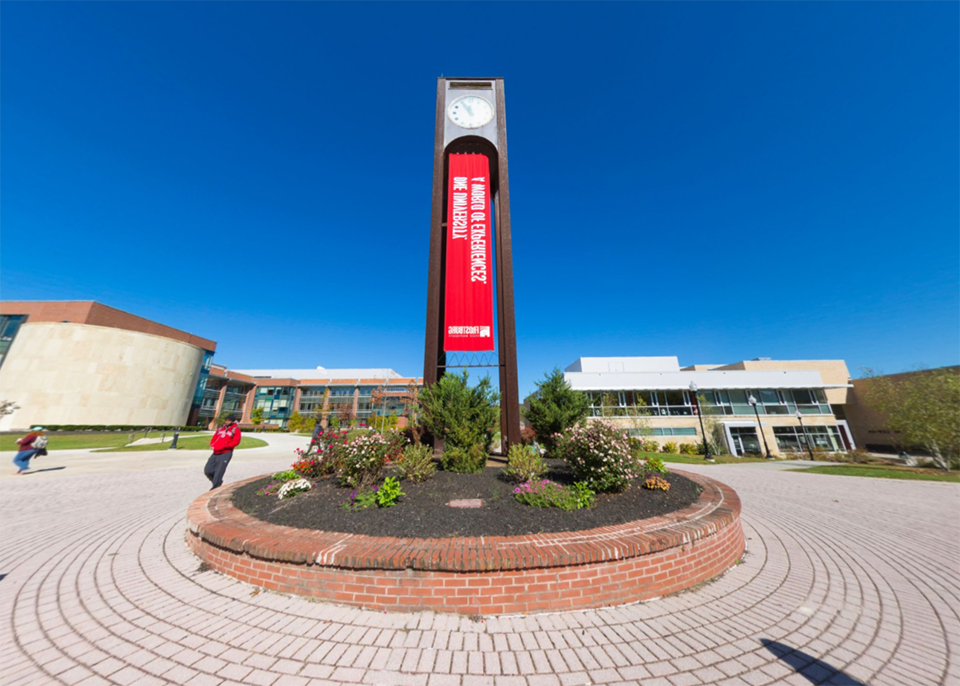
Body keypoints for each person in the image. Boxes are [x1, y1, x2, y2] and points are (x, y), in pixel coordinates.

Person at [204, 419, 242, 489]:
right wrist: (212, 445)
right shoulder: (220, 429)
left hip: (225, 453)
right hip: (215, 452)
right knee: (208, 470)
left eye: (229, 420)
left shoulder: (235, 430)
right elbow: (214, 438)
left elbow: (236, 441)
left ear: (232, 421)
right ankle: (217, 482)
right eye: (226, 420)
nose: (227, 422)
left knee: (219, 471)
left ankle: (215, 487)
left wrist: (225, 446)